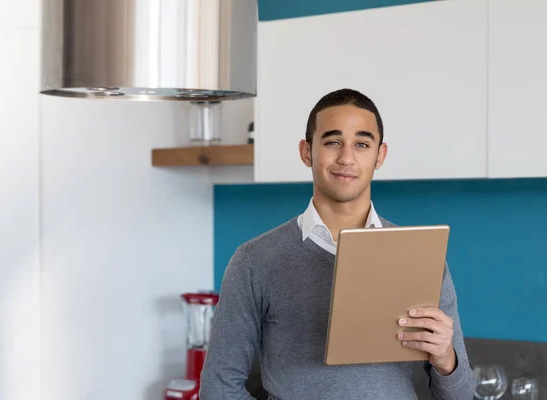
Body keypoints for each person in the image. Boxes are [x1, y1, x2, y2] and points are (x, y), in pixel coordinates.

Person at [199, 88, 476, 400]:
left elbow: (462, 396)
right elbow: (218, 390)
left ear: (379, 156)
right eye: (332, 142)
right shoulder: (254, 261)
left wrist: (445, 359)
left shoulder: (422, 258)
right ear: (307, 152)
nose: (346, 157)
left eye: (361, 144)